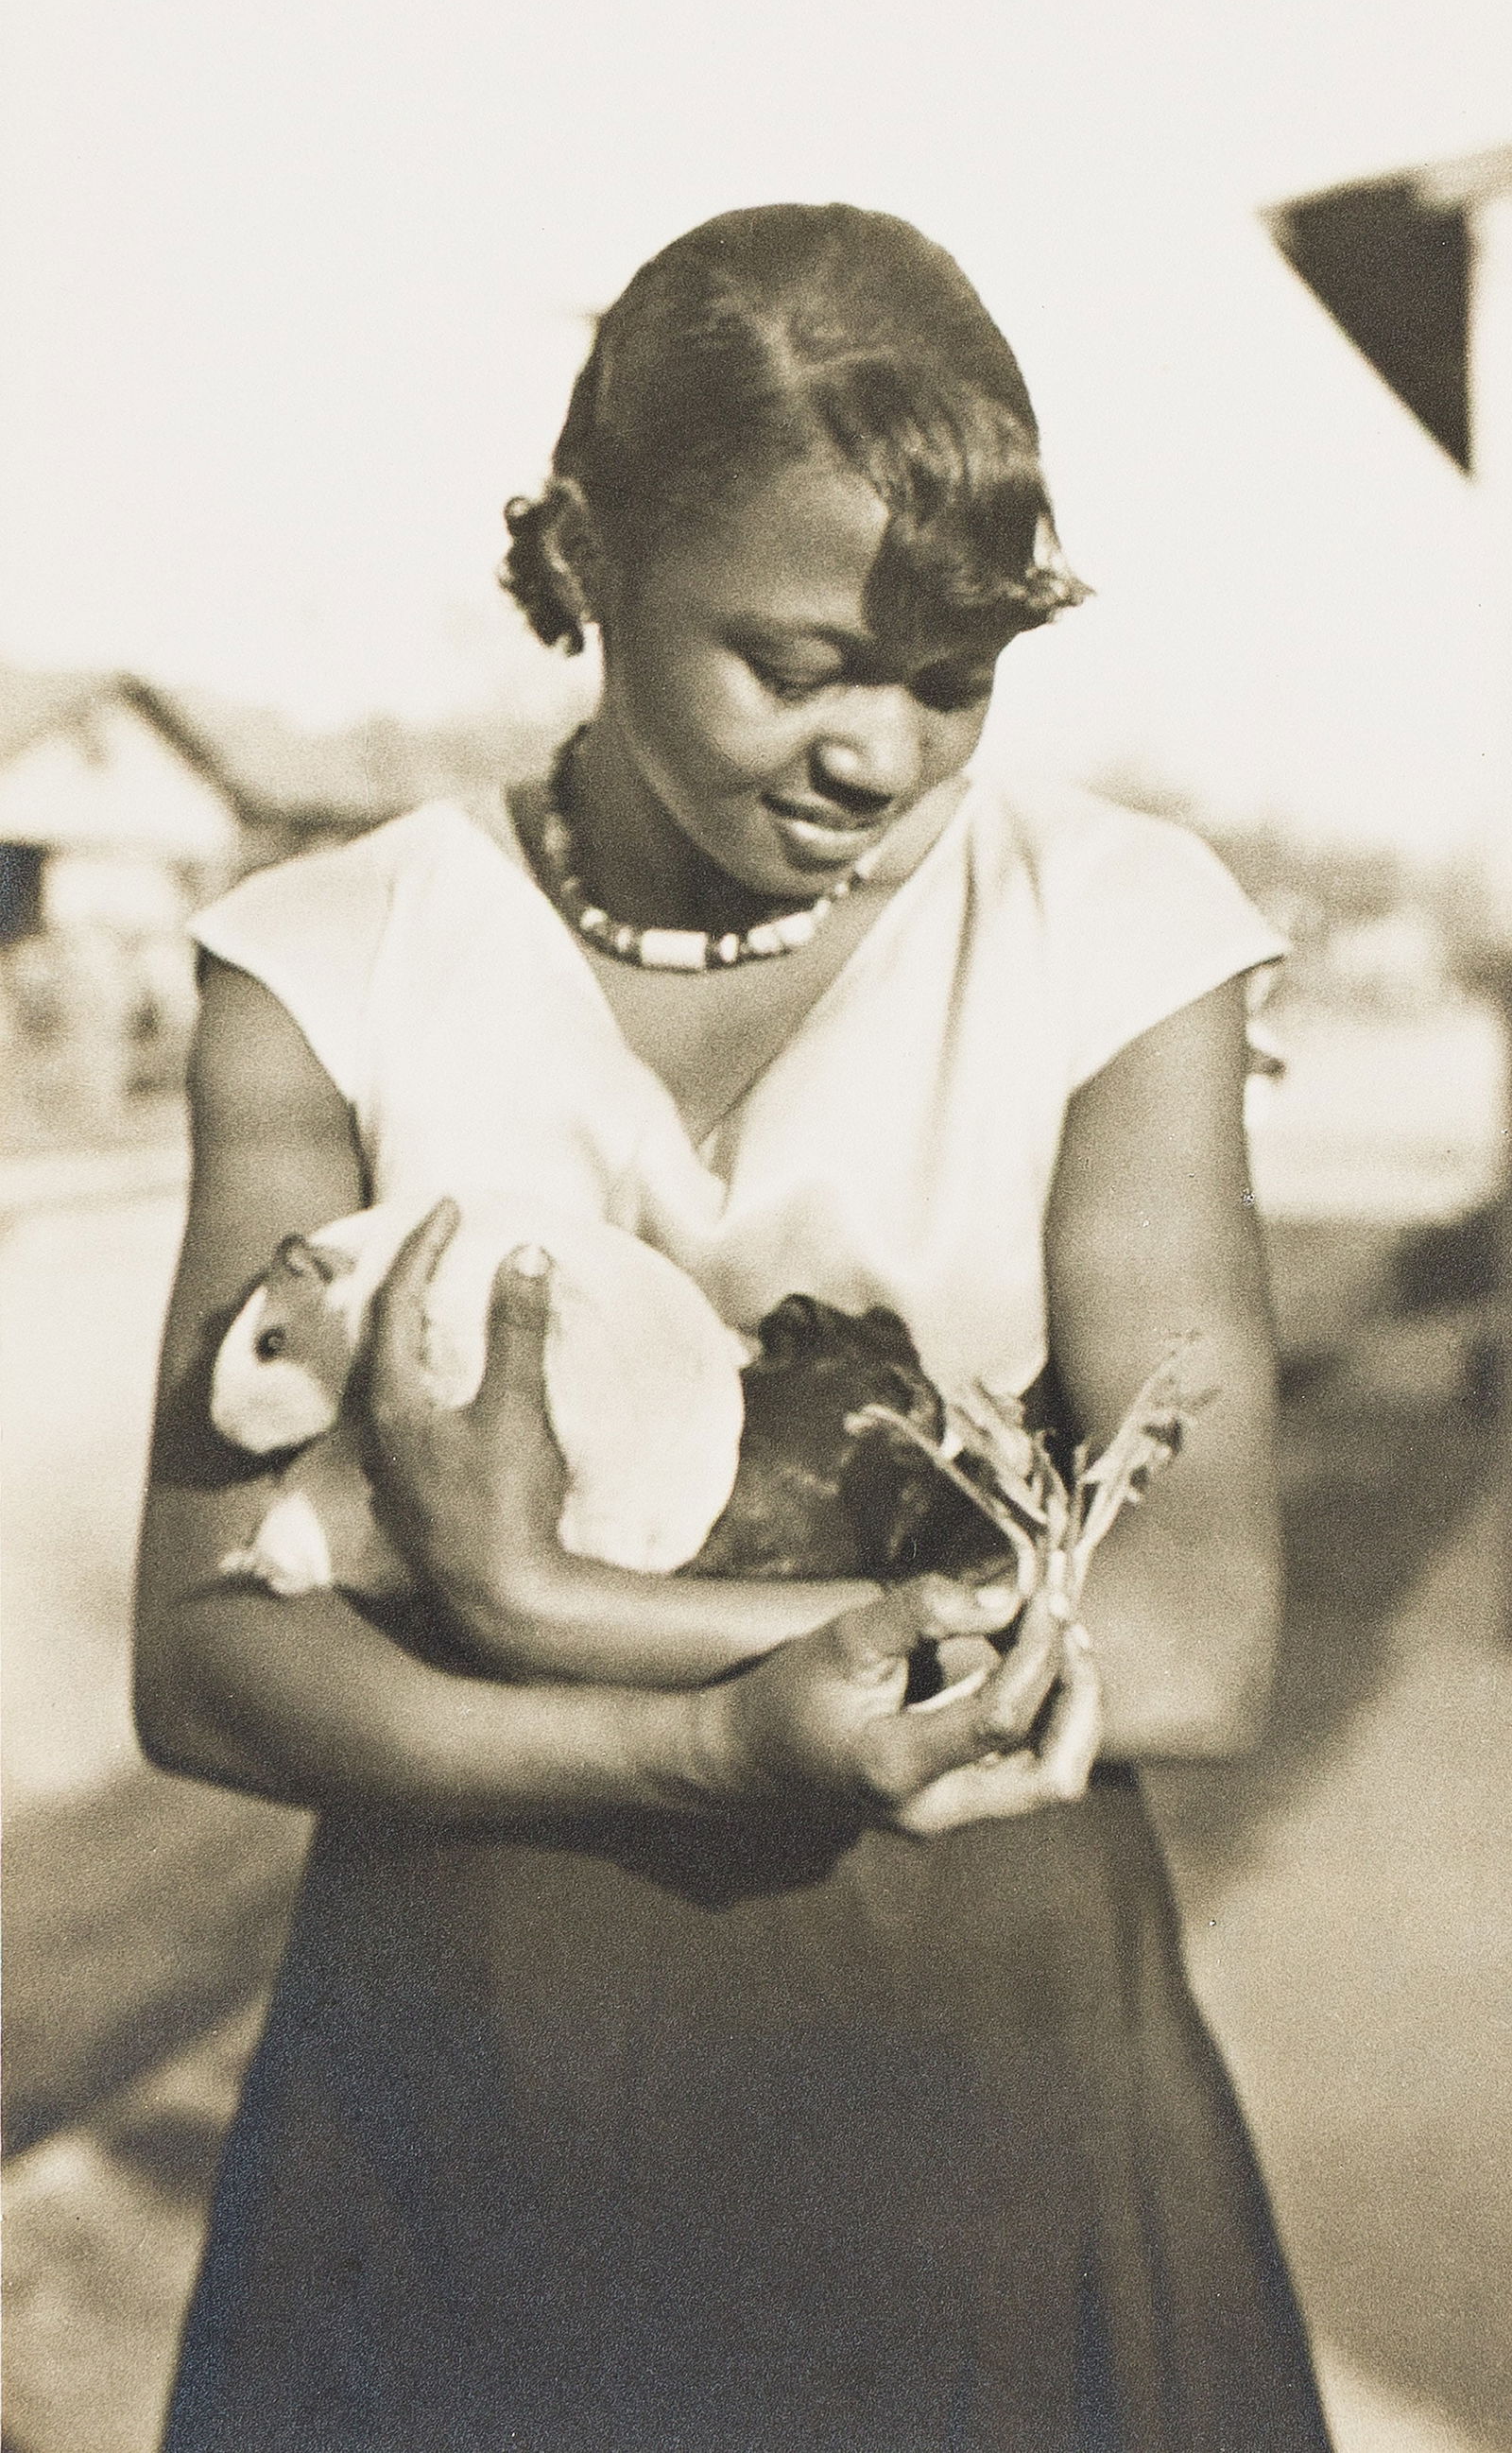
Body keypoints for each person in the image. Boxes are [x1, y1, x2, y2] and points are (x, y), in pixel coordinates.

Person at [136, 203, 1332, 2452]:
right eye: (789, 663)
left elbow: (1192, 1633)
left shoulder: (1109, 938)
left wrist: (527, 1600)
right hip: (471, 2101)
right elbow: (204, 1661)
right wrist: (702, 1736)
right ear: (584, 557)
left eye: (948, 675)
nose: (874, 753)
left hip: (970, 2092)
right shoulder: (332, 958)